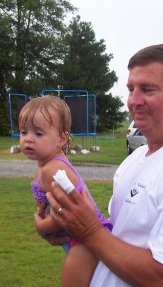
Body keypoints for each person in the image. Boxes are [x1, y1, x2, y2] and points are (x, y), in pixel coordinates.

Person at [44, 44, 163, 287]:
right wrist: (70, 229)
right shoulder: (136, 158)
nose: (134, 101)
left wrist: (90, 232)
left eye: (147, 89)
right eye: (130, 89)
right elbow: (121, 236)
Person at [19, 95, 112, 287]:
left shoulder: (52, 170)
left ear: (61, 138)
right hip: (78, 238)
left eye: (38, 133)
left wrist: (41, 227)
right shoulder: (46, 166)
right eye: (23, 132)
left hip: (86, 242)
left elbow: (72, 213)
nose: (28, 139)